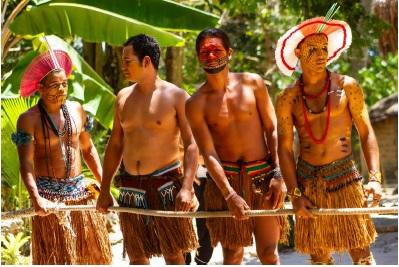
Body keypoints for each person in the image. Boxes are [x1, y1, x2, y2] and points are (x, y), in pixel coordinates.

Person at [275, 17, 381, 265]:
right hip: (308, 181)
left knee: (361, 252)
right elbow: (284, 148)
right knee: (319, 256)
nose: (321, 55)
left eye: (324, 49)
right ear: (299, 53)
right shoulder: (287, 98)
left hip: (345, 177)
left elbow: (366, 132)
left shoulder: (348, 87)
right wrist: (295, 194)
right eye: (313, 49)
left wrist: (375, 179)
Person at [186, 28, 289, 265]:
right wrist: (229, 194)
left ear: (229, 53)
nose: (211, 56)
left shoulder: (253, 83)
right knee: (232, 256)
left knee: (268, 253)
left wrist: (279, 173)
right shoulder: (196, 103)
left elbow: (273, 129)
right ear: (198, 57)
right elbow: (208, 152)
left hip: (264, 179)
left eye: (216, 50)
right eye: (205, 52)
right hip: (226, 183)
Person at [96, 34, 199, 265]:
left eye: (128, 61)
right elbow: (115, 145)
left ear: (146, 61)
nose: (123, 66)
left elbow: (192, 144)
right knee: (136, 256)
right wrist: (104, 190)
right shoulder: (122, 97)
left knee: (173, 253)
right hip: (130, 185)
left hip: (166, 185)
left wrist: (187, 187)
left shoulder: (176, 96)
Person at [13, 46, 112, 264]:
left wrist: (104, 187)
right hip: (49, 199)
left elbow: (88, 149)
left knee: (93, 257)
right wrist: (36, 198)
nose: (61, 89)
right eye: (55, 85)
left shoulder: (77, 110)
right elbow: (26, 162)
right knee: (57, 259)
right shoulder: (28, 120)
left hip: (80, 193)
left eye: (65, 84)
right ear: (40, 88)